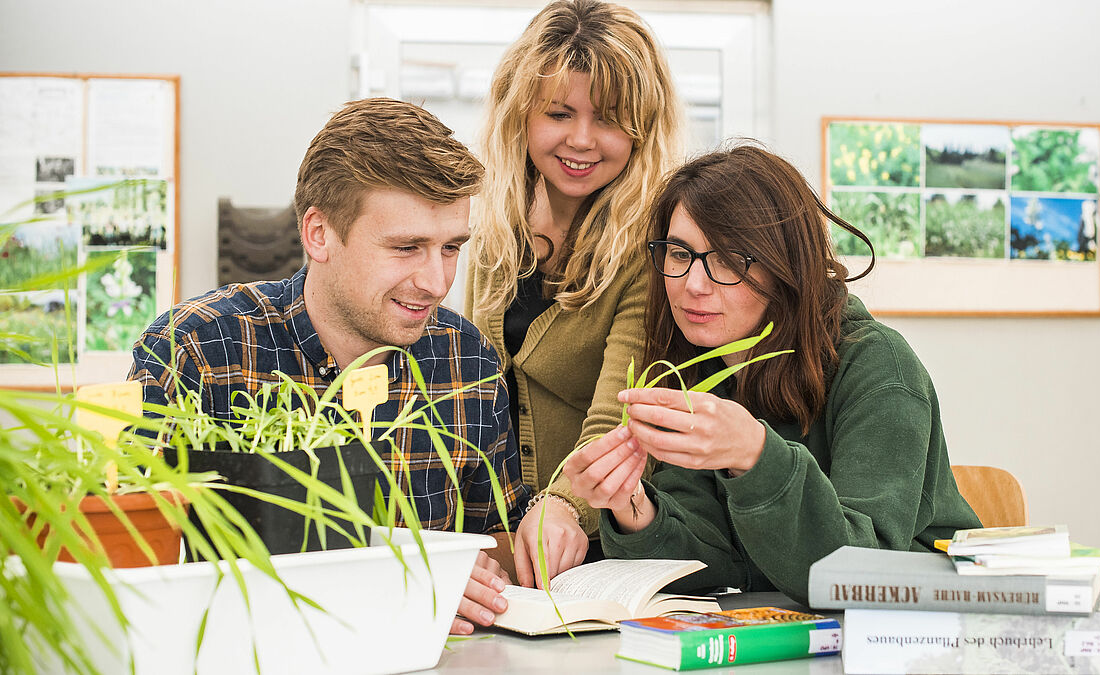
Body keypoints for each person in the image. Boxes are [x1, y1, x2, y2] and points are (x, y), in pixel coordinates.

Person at [129, 98, 528, 635]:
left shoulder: (467, 359)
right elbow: (130, 560)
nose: (436, 282)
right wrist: (385, 580)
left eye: (451, 247)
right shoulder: (196, 350)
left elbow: (495, 540)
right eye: (406, 247)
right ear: (318, 233)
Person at [562, 144, 983, 602]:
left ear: (786, 265)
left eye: (729, 259)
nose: (693, 284)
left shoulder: (879, 367)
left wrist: (755, 454)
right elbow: (718, 560)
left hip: (914, 635)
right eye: (679, 253)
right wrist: (629, 504)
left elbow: (858, 573)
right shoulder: (701, 366)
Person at [466, 0, 683, 590]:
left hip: (596, 549)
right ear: (521, 114)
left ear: (643, 125)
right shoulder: (493, 235)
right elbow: (470, 394)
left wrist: (564, 504)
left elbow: (623, 415)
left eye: (609, 119)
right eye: (559, 113)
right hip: (501, 542)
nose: (582, 140)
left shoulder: (657, 248)